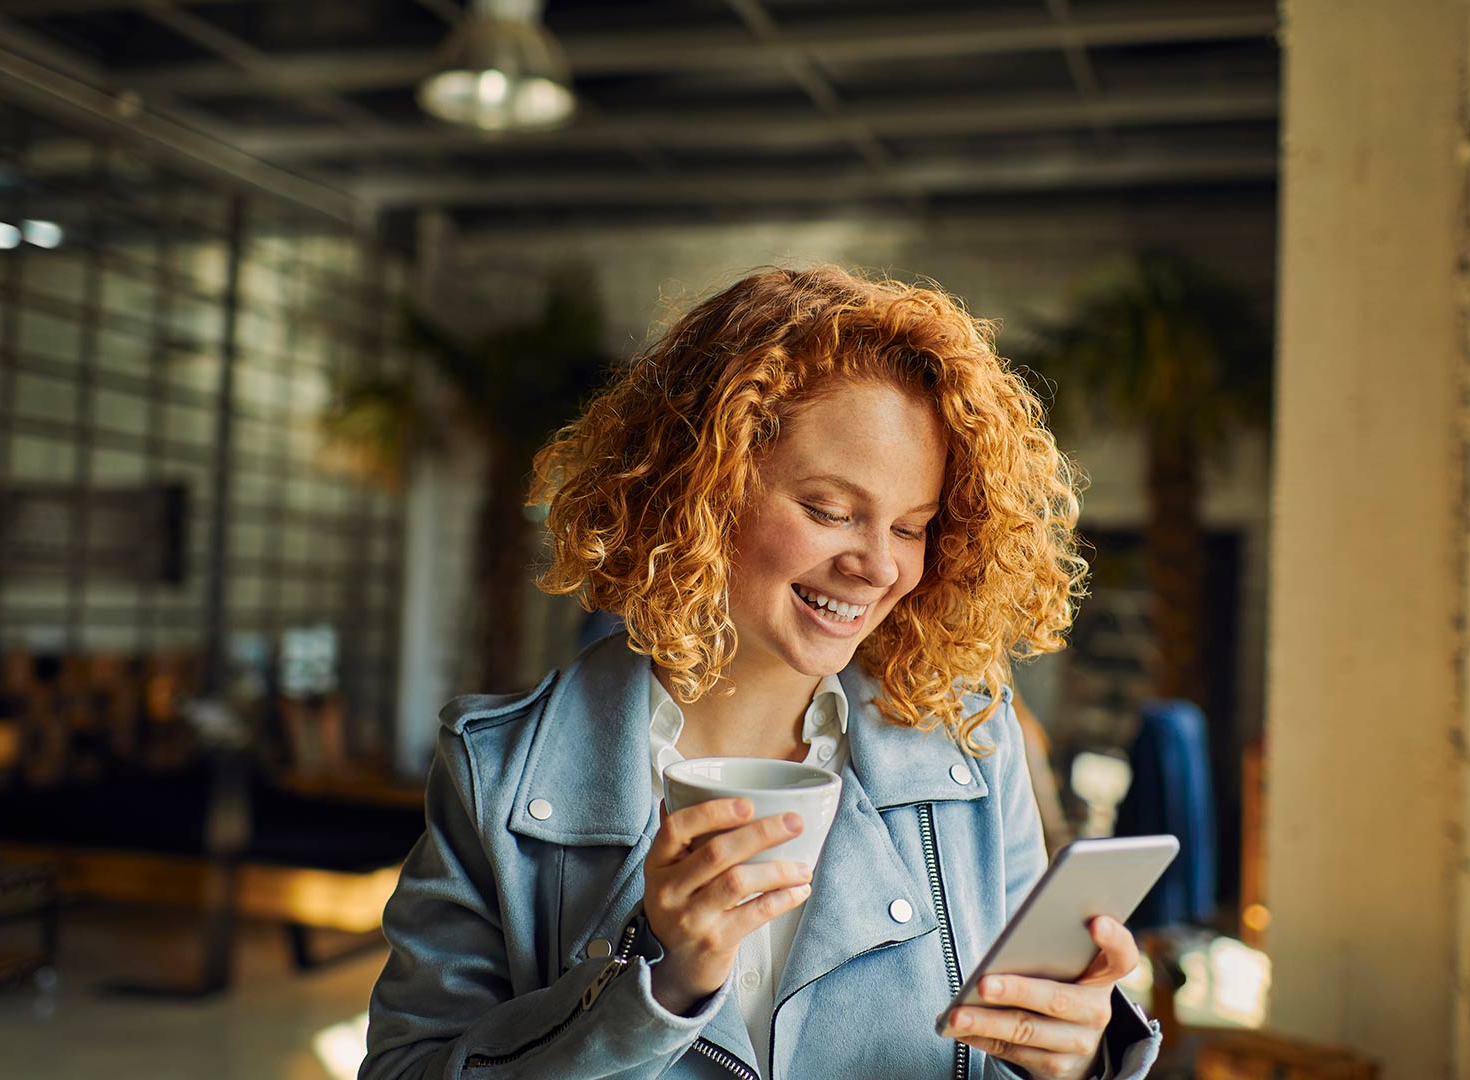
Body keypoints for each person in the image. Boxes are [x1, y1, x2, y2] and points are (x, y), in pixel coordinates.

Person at [362, 266, 1163, 1080]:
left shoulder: (970, 739)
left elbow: (1021, 1032)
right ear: (697, 487)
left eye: (913, 527)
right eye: (828, 510)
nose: (878, 567)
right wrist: (654, 988)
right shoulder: (497, 772)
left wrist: (1081, 1056)